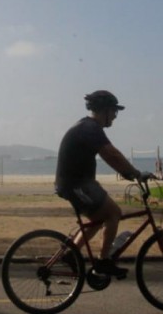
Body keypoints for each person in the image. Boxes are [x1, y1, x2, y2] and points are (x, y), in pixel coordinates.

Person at [55, 90, 147, 279]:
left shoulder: (89, 127)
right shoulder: (90, 128)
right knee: (113, 213)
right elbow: (111, 154)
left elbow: (111, 156)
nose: (115, 116)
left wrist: (129, 173)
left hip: (79, 183)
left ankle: (72, 254)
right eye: (114, 111)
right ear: (104, 110)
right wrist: (135, 174)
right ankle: (103, 262)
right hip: (76, 184)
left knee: (98, 218)